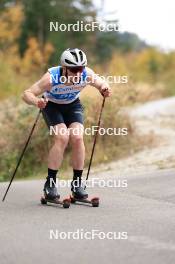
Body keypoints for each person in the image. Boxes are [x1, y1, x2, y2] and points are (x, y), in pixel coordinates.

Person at [22, 48, 111, 201]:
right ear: (64, 68)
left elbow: (101, 82)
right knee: (62, 137)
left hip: (72, 105)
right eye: (74, 69)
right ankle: (50, 184)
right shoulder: (51, 78)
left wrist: (104, 88)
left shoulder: (85, 74)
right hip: (51, 106)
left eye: (80, 68)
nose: (78, 73)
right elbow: (26, 94)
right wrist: (37, 102)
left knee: (77, 137)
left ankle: (77, 185)